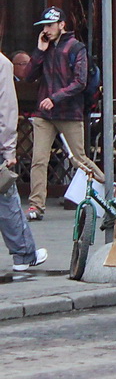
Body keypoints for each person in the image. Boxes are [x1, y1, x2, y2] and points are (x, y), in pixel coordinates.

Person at [23, 6, 104, 222]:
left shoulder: (76, 48)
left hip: (69, 111)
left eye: (50, 25)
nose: (46, 30)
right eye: (44, 26)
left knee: (79, 158)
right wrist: (39, 50)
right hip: (44, 114)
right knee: (39, 159)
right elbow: (28, 76)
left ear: (62, 25)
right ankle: (36, 205)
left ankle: (108, 187)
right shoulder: (46, 47)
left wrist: (55, 98)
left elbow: (80, 82)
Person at [0, 49, 47, 270]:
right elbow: (7, 110)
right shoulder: (2, 64)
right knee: (6, 199)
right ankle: (24, 254)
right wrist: (9, 149)